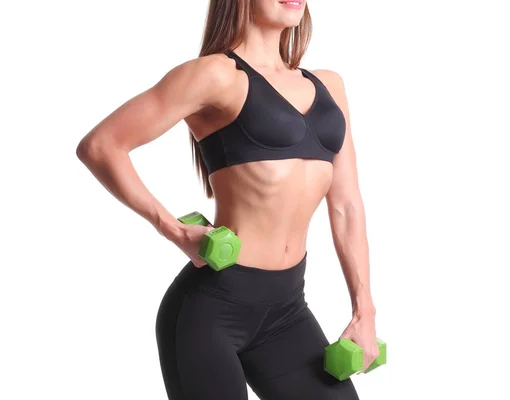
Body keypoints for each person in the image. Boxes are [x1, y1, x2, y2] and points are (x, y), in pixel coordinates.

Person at [76, 0, 378, 398]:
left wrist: (364, 310)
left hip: (288, 310)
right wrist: (170, 228)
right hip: (212, 311)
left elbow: (346, 204)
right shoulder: (216, 75)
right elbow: (101, 146)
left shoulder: (328, 86)